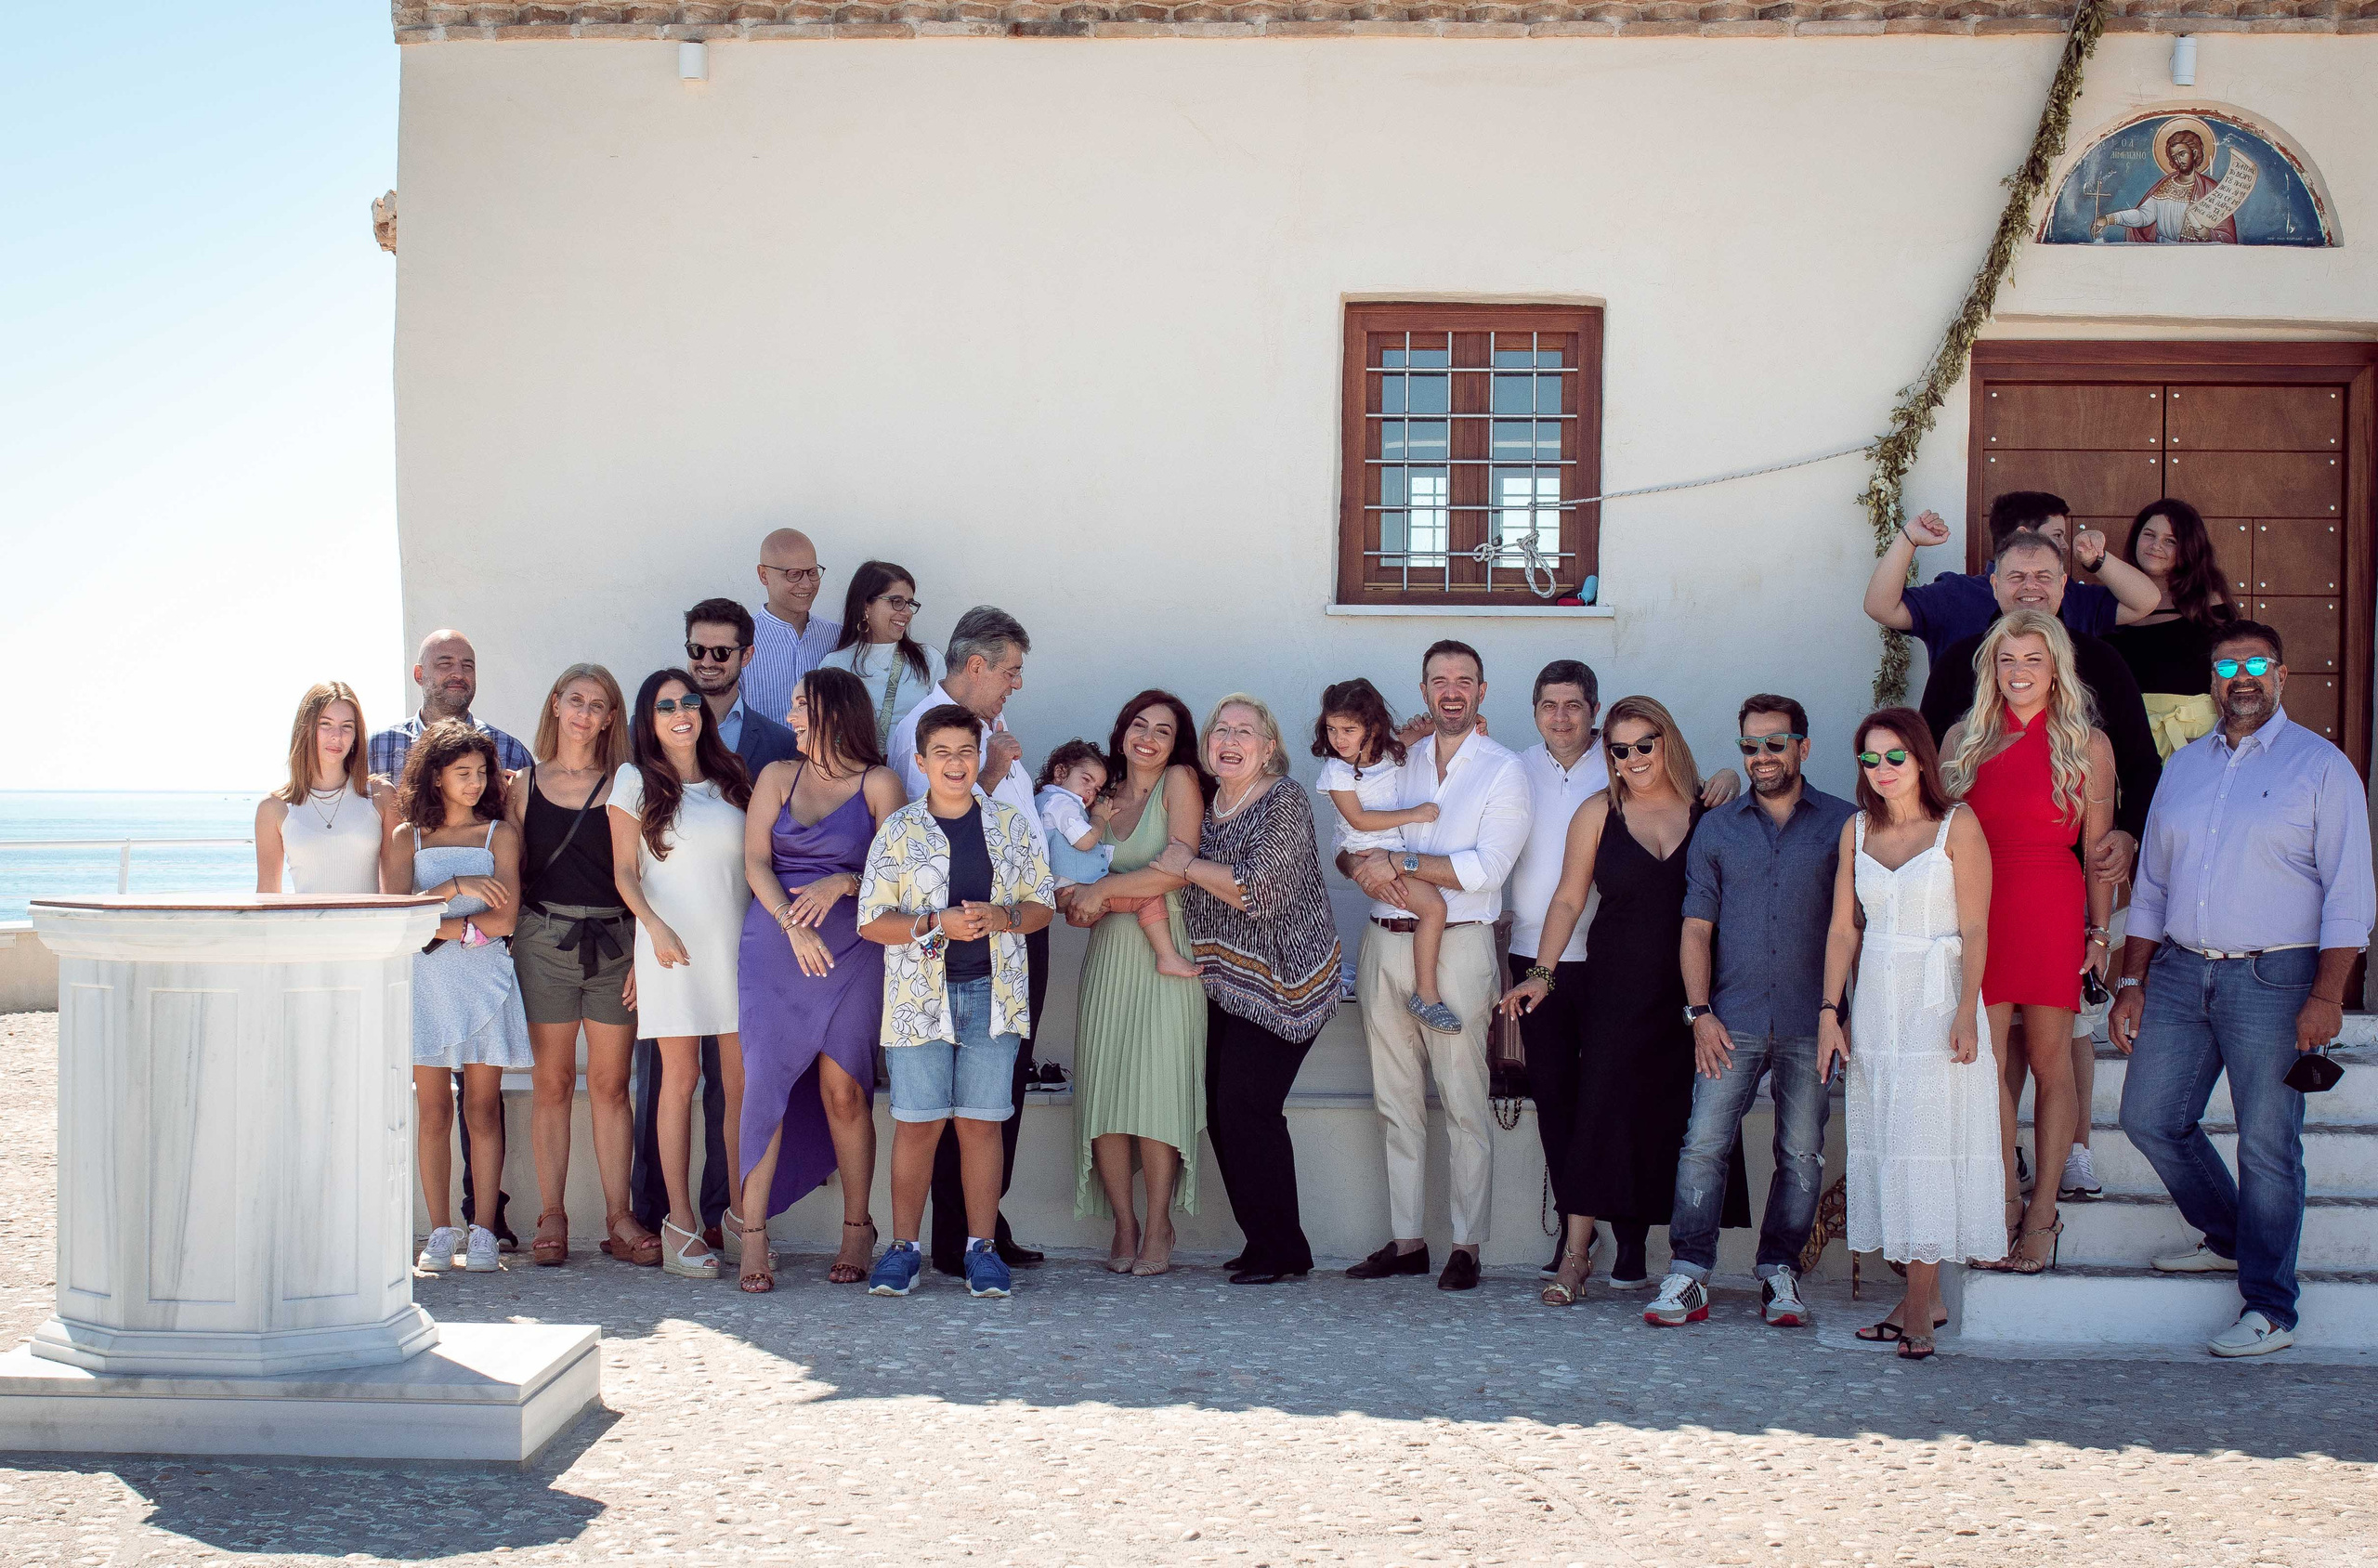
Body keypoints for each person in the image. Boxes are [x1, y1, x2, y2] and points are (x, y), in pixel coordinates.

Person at [2113, 621, 2375, 1357]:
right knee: (2150, 1118)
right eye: (2227, 666)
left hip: (2276, 975)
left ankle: (2270, 1308)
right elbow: (2155, 886)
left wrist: (2328, 997)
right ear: (2212, 682)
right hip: (2179, 972)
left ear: (2283, 675)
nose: (2242, 676)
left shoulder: (2322, 767)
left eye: (2257, 662)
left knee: (2267, 1143)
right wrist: (2132, 979)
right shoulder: (2185, 769)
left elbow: (2349, 894)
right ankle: (2229, 1234)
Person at [1501, 697, 1737, 1302]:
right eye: (1619, 749)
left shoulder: (1708, 810)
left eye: (1644, 745)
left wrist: (1731, 779)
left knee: (1684, 1122)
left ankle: (1685, 1263)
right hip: (1616, 987)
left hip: (1689, 992)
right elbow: (1567, 901)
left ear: (1668, 741)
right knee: (1598, 1115)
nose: (1632, 758)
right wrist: (1543, 976)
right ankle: (1576, 1257)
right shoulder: (1597, 812)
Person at [1643, 695, 1857, 1329]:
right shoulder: (1719, 827)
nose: (1760, 757)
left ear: (1803, 747)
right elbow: (1695, 928)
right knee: (1703, 1145)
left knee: (1801, 1152)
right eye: (1749, 746)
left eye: (1774, 743)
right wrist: (1699, 1013)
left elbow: (1855, 928)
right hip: (1728, 1017)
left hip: (1809, 1019)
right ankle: (1689, 1274)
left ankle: (1779, 1273)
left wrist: (1838, 1012)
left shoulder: (1844, 826)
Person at [1342, 641, 1528, 1293]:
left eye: (1464, 681)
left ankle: (1467, 1244)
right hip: (1382, 939)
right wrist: (1361, 865)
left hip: (1459, 946)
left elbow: (1487, 869)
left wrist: (1403, 864)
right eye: (1439, 680)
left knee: (1462, 1098)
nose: (1451, 691)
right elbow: (1351, 839)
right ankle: (1407, 1241)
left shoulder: (1503, 770)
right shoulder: (1397, 761)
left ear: (1481, 691)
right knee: (1394, 1101)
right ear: (1423, 690)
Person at [856, 702, 1056, 1300]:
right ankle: (902, 1250)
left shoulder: (1012, 828)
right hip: (921, 999)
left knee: (981, 1124)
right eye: (941, 753)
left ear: (980, 757)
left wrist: (1003, 916)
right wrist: (932, 923)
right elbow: (871, 921)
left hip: (991, 996)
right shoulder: (899, 830)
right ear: (920, 761)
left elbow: (1042, 905)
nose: (954, 763)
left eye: (965, 752)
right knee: (917, 1125)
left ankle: (982, 1249)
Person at [1819, 710, 2003, 1361]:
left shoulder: (1959, 824)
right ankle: (1921, 1298)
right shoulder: (1856, 829)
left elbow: (1977, 928)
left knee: (1927, 1144)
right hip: (1877, 1003)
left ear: (1922, 758)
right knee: (1895, 1145)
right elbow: (1845, 930)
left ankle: (1921, 1310)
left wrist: (1964, 1011)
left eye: (1895, 756)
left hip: (1938, 999)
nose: (1883, 770)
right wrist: (1828, 1012)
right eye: (1870, 759)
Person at [1943, 608, 2117, 1275]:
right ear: (1992, 666)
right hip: (1981, 908)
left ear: (2056, 669)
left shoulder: (2087, 744)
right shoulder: (1964, 736)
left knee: (2051, 1061)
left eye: (2032, 660)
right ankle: (2001, 1209)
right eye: (2007, 659)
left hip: (2052, 902)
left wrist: (2099, 935)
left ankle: (2044, 1215)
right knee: (1987, 1071)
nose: (2018, 673)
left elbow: (2099, 849)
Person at [886, 607, 1051, 1274]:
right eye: (1010, 672)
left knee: (996, 1088)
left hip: (1016, 925)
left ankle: (982, 1224)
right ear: (976, 667)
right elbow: (920, 831)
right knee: (959, 1095)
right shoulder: (918, 734)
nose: (1015, 684)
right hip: (959, 936)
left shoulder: (991, 729)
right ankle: (956, 1239)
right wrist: (990, 770)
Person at [734, 668, 908, 1291]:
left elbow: (900, 874)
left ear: (836, 711)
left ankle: (858, 1229)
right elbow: (755, 861)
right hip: (776, 947)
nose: (793, 713)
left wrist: (844, 882)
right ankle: (752, 1235)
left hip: (856, 948)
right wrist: (791, 923)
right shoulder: (778, 776)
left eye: (803, 704)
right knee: (765, 1087)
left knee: (846, 1092)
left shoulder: (880, 784)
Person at [1162, 695, 1342, 1285]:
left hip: (1286, 980)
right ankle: (1266, 1239)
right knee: (1221, 1112)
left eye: (1247, 731)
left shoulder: (1284, 799)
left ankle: (1283, 1249)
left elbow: (1256, 891)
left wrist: (1184, 864)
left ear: (1269, 748)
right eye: (1222, 729)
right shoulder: (1209, 803)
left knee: (1249, 1109)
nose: (1231, 738)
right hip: (1226, 980)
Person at [366, 626, 528, 1249]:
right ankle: (439, 1228)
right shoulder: (405, 836)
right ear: (434, 776)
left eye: (481, 773)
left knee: (484, 1108)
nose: (475, 783)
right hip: (425, 981)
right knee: (431, 1109)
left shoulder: (501, 836)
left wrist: (443, 925)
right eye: (461, 773)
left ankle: (485, 1228)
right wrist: (455, 895)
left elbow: (506, 919)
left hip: (485, 978)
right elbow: (396, 915)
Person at [1058, 691, 1211, 1274]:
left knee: (1157, 1093)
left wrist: (1102, 892)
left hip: (1166, 952)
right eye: (1139, 726)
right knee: (1107, 1094)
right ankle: (1123, 1225)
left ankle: (1160, 1225)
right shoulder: (1099, 792)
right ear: (1122, 730)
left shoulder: (1178, 782)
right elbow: (1075, 867)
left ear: (1177, 743)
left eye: (1164, 731)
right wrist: (1077, 898)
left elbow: (1177, 867)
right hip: (1109, 954)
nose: (1148, 737)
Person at [608, 669, 754, 1280]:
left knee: (740, 1086)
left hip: (737, 949)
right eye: (666, 705)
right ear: (649, 719)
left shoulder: (732, 778)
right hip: (670, 949)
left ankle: (745, 1216)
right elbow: (623, 872)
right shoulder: (634, 780)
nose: (680, 712)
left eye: (689, 701)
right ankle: (680, 1222)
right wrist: (653, 930)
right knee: (680, 1080)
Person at [502, 663, 648, 1269]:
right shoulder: (522, 785)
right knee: (553, 1084)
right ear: (556, 705)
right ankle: (553, 1214)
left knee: (613, 1087)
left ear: (611, 717)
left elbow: (637, 872)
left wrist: (646, 952)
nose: (585, 713)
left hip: (616, 945)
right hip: (544, 943)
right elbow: (508, 873)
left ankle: (619, 1216)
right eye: (576, 700)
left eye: (598, 704)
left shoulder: (624, 783)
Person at [1919, 529, 2160, 871]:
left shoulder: (2102, 661)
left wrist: (2130, 833)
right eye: (2016, 576)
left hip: (2075, 873)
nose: (2030, 586)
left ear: (2063, 584)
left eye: (2043, 577)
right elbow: (1924, 759)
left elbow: (2142, 764)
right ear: (1995, 584)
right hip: (1967, 873)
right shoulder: (1959, 661)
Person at [1863, 493, 2161, 666]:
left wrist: (2099, 559)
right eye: (2057, 536)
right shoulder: (1956, 594)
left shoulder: (2070, 594)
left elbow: (2145, 601)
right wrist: (1908, 539)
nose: (2067, 546)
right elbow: (1881, 607)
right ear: (2022, 536)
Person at [1313, 678, 1457, 1032]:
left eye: (1349, 728)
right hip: (1365, 853)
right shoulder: (1337, 771)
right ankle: (1427, 994)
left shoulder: (1387, 754)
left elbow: (1422, 733)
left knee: (1430, 908)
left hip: (1390, 856)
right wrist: (1414, 813)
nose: (1338, 738)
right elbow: (1358, 819)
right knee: (1435, 908)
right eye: (1332, 729)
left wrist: (1441, 726)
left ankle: (1422, 990)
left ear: (1373, 728)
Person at [1036, 739, 1197, 979]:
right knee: (1149, 898)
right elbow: (1086, 840)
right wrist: (1099, 819)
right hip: (1077, 885)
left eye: (1097, 789)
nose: (1090, 793)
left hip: (1066, 889)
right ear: (1060, 772)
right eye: (1086, 780)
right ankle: (1167, 956)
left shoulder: (1040, 801)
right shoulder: (1061, 804)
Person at [2106, 498, 2237, 760]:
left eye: (2171, 540)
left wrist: (2221, 739)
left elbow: (2231, 675)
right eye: (2149, 535)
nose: (2156, 546)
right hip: (2126, 735)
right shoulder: (2110, 600)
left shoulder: (2207, 602)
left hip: (2192, 737)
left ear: (2188, 548)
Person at [257, 681, 391, 894]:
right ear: (306, 728)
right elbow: (267, 895)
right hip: (303, 927)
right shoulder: (273, 807)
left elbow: (397, 891)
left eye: (347, 726)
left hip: (372, 927)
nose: (337, 736)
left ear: (356, 736)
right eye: (325, 724)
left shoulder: (381, 796)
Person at [369, 628, 532, 780]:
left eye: (467, 666)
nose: (458, 674)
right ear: (419, 675)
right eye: (445, 664)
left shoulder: (510, 753)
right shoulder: (376, 749)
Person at [819, 559, 947, 753]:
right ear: (865, 606)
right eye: (896, 602)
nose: (906, 613)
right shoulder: (836, 665)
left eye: (910, 604)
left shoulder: (928, 659)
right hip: (859, 779)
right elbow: (824, 734)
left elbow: (949, 726)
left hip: (918, 777)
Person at [683, 597, 803, 773]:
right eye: (697, 650)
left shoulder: (782, 744)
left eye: (721, 652)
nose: (707, 662)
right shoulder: (651, 727)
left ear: (746, 656)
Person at [744, 528, 843, 729]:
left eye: (813, 573)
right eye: (794, 574)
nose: (807, 584)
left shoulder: (837, 637)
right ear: (764, 575)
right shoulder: (741, 640)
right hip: (761, 760)